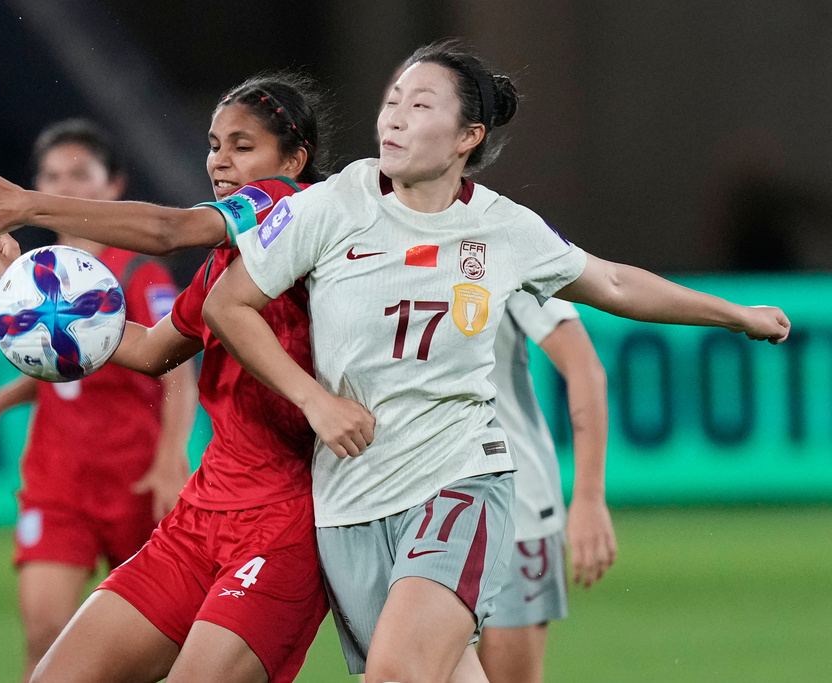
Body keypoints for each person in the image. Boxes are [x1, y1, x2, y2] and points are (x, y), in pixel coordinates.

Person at [197, 40, 789, 683]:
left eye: (419, 104)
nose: (393, 117)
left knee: (397, 674)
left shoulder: (503, 228)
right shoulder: (335, 204)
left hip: (459, 480)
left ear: (466, 136)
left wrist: (735, 314)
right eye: (391, 100)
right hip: (350, 498)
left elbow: (614, 284)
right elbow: (228, 307)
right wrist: (314, 398)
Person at [0, 72, 335, 683]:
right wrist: (38, 298)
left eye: (242, 146)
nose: (220, 160)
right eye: (214, 144)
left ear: (294, 159)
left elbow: (169, 230)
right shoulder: (226, 266)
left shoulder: (287, 203)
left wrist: (33, 205)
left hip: (280, 523)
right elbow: (149, 350)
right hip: (202, 514)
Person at [0, 119, 199, 683]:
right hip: (58, 483)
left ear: (114, 185)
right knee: (43, 631)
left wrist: (169, 456)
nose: (66, 185)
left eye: (80, 173)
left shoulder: (137, 269)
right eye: (53, 175)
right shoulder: (37, 274)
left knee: (151, 646)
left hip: (133, 479)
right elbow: (58, 365)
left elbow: (179, 366)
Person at [477, 291, 613, 683]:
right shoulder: (357, 237)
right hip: (404, 503)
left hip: (516, 506)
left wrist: (588, 497)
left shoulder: (504, 233)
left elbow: (584, 366)